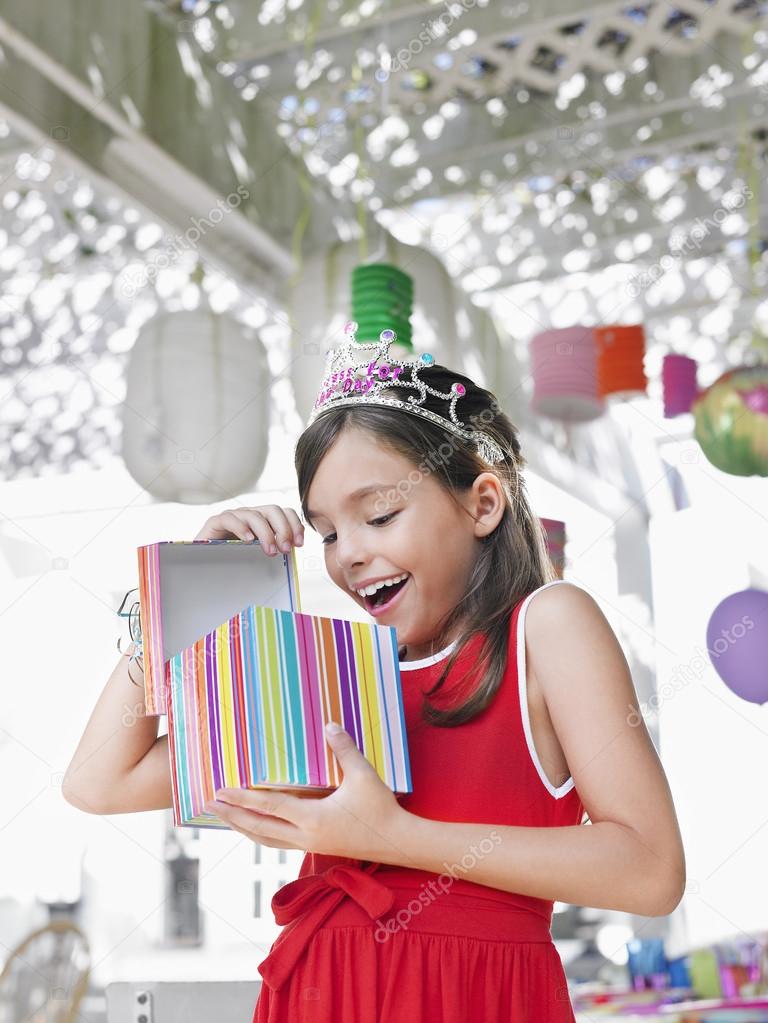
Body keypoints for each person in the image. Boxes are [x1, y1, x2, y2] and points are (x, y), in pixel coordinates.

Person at [63, 324, 686, 1022]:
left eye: (380, 514)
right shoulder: (338, 675)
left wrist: (391, 837)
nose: (349, 553)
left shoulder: (547, 626)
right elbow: (97, 780)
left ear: (482, 503)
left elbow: (651, 869)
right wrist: (181, 592)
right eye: (327, 532)